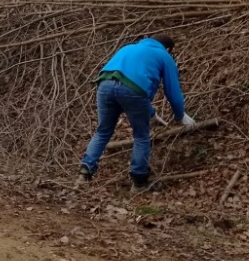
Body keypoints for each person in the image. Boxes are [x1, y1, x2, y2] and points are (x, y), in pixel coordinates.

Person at [78, 34, 197, 191]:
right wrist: (180, 115)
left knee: (103, 131)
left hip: (104, 85)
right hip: (132, 90)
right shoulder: (163, 55)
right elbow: (172, 92)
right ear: (168, 49)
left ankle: (85, 172)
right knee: (141, 136)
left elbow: (125, 80)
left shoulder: (129, 47)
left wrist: (152, 114)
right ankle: (139, 181)